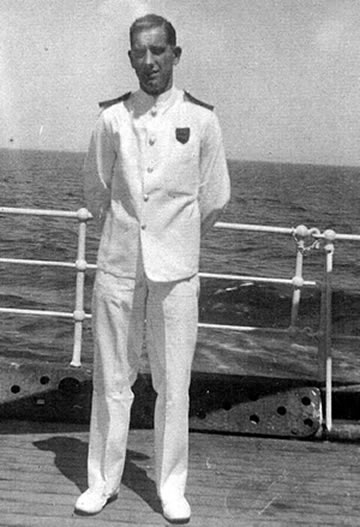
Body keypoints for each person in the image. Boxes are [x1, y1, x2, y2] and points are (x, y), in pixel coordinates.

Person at [74, 13, 230, 524]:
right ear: (130, 57)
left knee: (173, 384)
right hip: (119, 265)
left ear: (175, 55)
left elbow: (214, 198)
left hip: (176, 273)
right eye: (140, 52)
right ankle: (103, 482)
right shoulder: (112, 119)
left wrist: (173, 241)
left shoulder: (203, 120)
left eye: (159, 51)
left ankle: (171, 487)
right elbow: (96, 192)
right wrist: (130, 235)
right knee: (112, 379)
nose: (149, 61)